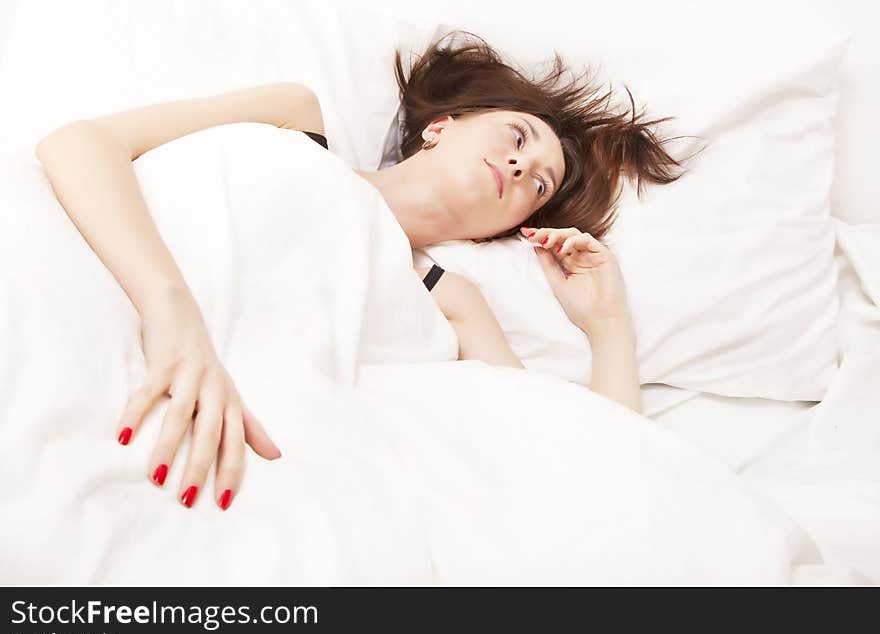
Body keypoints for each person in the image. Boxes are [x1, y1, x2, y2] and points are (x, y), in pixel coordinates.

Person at [34, 31, 697, 511]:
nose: (524, 168)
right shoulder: (294, 121)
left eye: (540, 184)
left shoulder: (455, 301)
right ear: (440, 127)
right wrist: (170, 310)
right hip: (86, 302)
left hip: (226, 451)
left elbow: (591, 479)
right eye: (518, 137)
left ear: (505, 230)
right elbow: (78, 144)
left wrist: (608, 326)